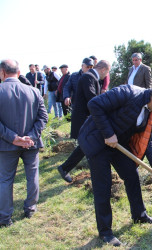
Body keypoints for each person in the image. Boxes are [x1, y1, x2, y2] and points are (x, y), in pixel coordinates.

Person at [77, 83, 152, 246]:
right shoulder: (128, 93)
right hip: (97, 140)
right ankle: (106, 232)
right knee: (103, 186)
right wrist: (108, 133)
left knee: (132, 175)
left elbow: (148, 140)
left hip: (119, 144)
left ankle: (140, 215)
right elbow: (94, 104)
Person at [0, 59, 48, 227]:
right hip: (30, 144)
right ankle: (30, 208)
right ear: (19, 73)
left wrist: (13, 138)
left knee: (5, 180)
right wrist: (31, 137)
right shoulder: (34, 91)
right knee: (32, 175)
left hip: (6, 145)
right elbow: (43, 117)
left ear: (2, 73)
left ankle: (5, 218)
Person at [57, 60, 111, 183]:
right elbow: (92, 99)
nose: (107, 75)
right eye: (107, 72)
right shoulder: (89, 77)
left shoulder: (91, 77)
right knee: (87, 145)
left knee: (87, 145)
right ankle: (65, 168)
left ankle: (66, 168)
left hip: (87, 117)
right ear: (103, 70)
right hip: (83, 118)